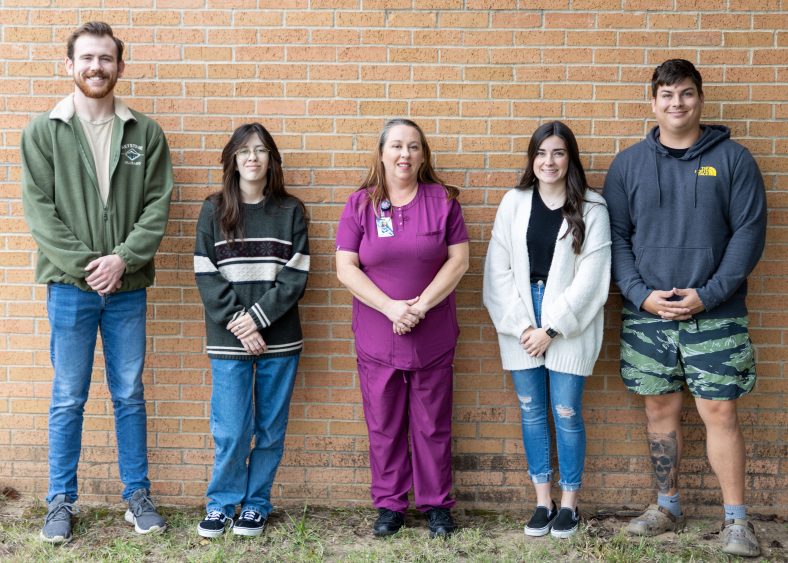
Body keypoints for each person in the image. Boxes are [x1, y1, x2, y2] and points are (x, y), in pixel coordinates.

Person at [603, 59, 767, 557]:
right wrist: (638, 292)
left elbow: (748, 234)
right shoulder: (628, 165)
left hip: (715, 313)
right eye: (667, 94)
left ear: (700, 99)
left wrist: (709, 293)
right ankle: (667, 505)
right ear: (652, 101)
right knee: (659, 410)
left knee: (719, 410)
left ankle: (737, 520)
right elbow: (616, 238)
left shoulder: (735, 160)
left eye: (687, 94)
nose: (677, 103)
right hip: (647, 313)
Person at [20, 22, 173, 543]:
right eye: (86, 58)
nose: (96, 67)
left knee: (129, 393)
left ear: (119, 67)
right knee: (67, 395)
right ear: (69, 65)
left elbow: (158, 204)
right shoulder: (43, 132)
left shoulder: (144, 133)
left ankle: (137, 496)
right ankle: (60, 501)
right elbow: (39, 212)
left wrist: (123, 260)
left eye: (106, 59)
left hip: (127, 290)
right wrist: (93, 264)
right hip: (70, 288)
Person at [335, 118, 469, 538]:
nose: (404, 155)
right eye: (396, 146)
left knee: (433, 425)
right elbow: (345, 267)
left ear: (423, 154)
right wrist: (392, 308)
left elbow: (459, 260)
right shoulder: (361, 204)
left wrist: (420, 307)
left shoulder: (443, 200)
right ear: (382, 153)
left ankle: (436, 506)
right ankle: (391, 505)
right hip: (379, 335)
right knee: (384, 423)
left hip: (432, 335)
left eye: (413, 147)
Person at [483, 121, 611, 539]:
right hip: (520, 316)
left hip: (568, 320)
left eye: (557, 153)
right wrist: (524, 326)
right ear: (531, 159)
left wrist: (551, 329)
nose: (548, 161)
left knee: (567, 412)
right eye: (541, 153)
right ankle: (543, 500)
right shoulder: (514, 202)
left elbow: (593, 279)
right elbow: (497, 270)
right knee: (532, 411)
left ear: (569, 158)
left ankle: (570, 503)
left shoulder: (592, 207)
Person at [194, 123, 309, 538]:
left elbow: (296, 276)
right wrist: (240, 325)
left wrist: (257, 320)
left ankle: (256, 504)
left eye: (261, 151)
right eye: (244, 152)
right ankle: (222, 503)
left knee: (269, 429)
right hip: (228, 341)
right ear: (233, 160)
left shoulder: (290, 211)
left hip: (280, 339)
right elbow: (205, 273)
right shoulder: (213, 210)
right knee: (231, 429)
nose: (253, 158)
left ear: (271, 159)